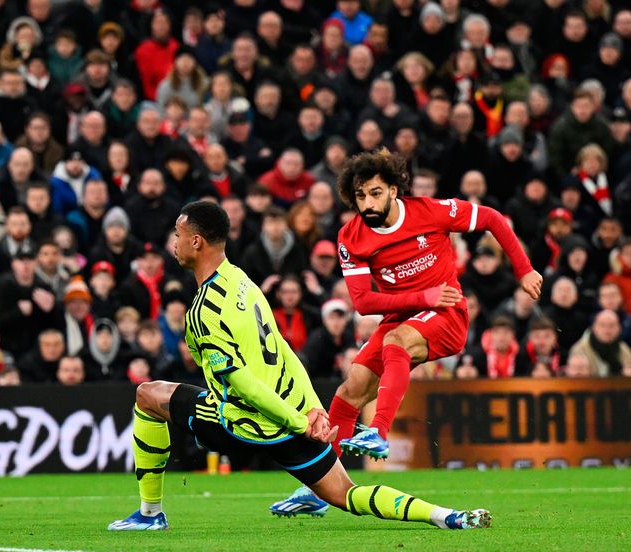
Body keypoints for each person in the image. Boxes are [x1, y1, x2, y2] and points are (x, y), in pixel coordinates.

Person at [108, 200, 491, 531]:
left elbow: (241, 384)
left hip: (242, 421)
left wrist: (299, 421)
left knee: (147, 395)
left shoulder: (203, 311)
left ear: (196, 241)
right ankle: (446, 515)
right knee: (346, 494)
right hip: (289, 410)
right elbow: (284, 350)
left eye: (177, 235)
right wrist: (310, 408)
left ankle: (149, 513)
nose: (172, 243)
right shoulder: (243, 281)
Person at [312, 149, 543, 463]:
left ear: (394, 190)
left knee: (396, 341)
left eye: (376, 193)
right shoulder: (350, 237)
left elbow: (490, 217)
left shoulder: (430, 211)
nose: (368, 203)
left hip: (447, 313)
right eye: (360, 196)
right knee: (350, 390)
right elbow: (364, 303)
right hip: (404, 315)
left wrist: (524, 269)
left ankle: (378, 432)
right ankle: (322, 484)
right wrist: (423, 297)